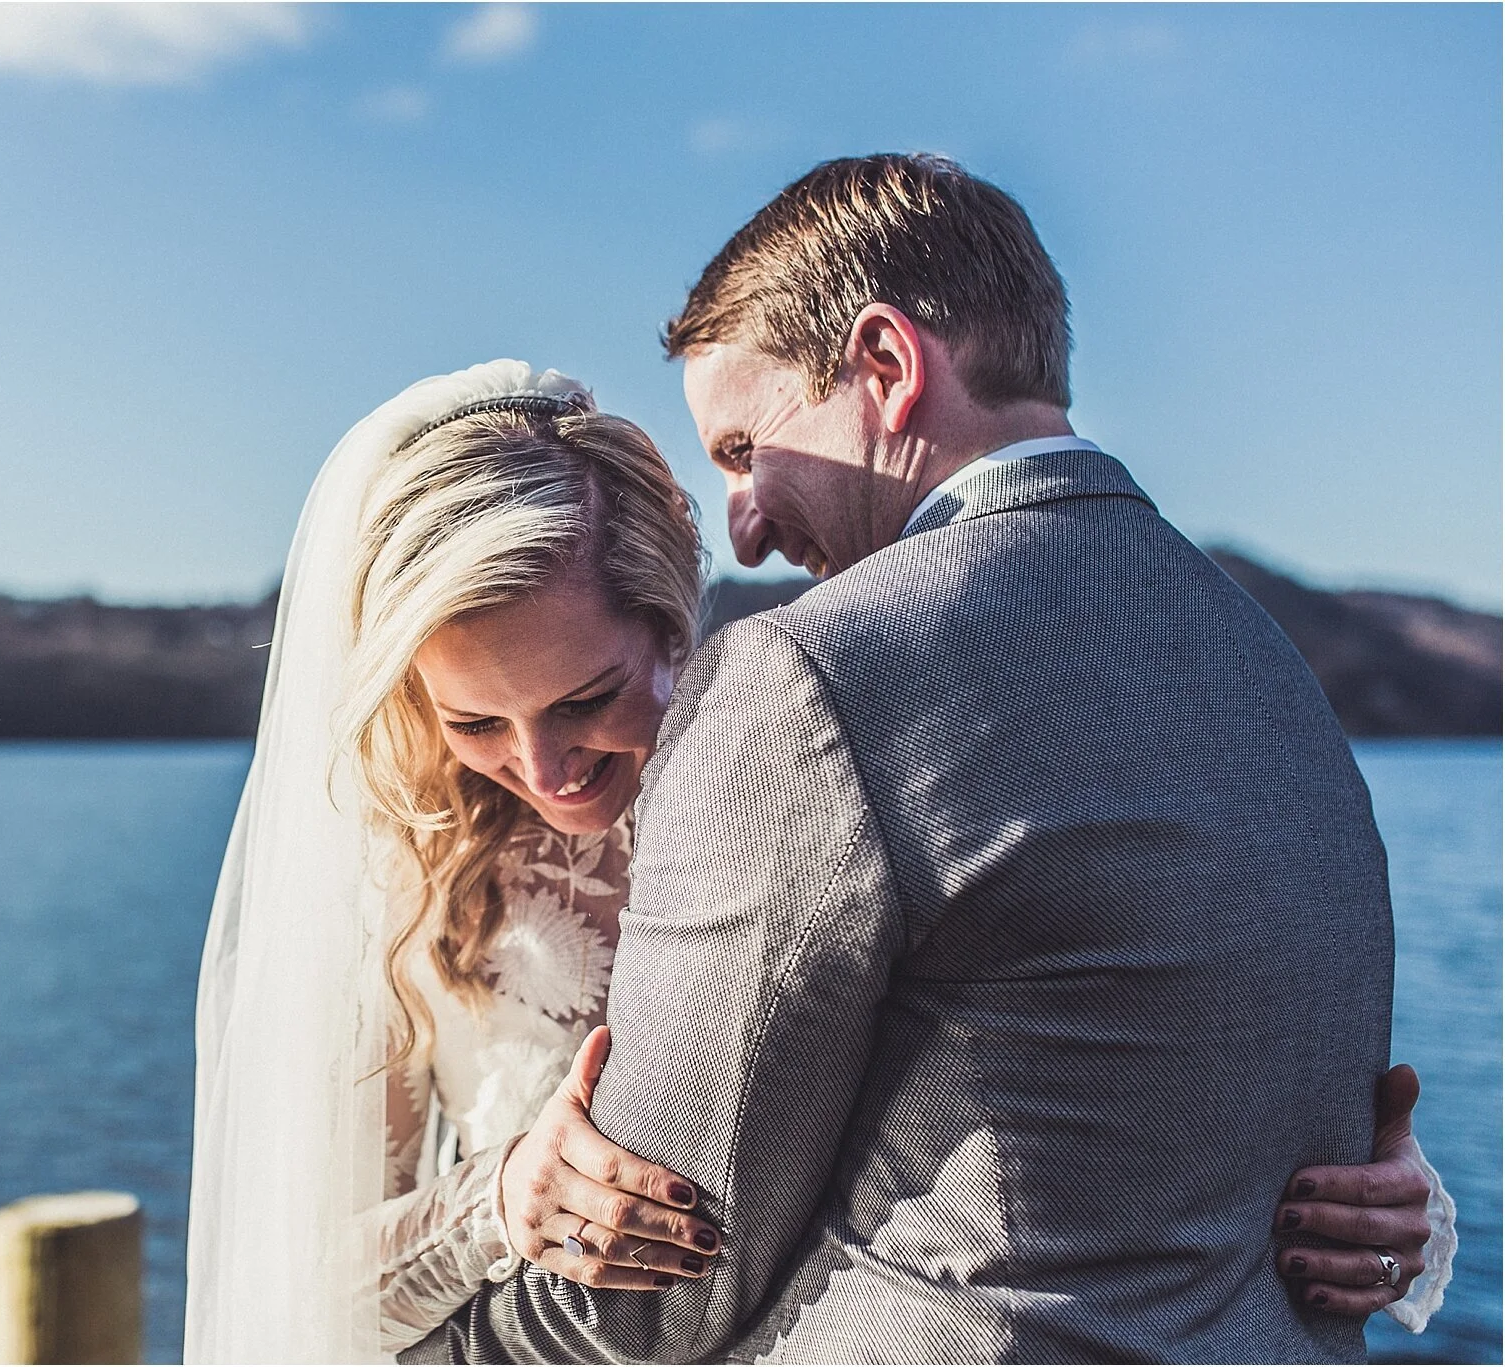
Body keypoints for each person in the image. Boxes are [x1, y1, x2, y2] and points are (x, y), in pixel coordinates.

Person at [394, 155, 1456, 1364]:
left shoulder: (806, 678)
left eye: (743, 445)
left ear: (886, 369)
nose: (737, 520)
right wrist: (1403, 1229)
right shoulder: (1266, 667)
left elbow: (661, 1277)